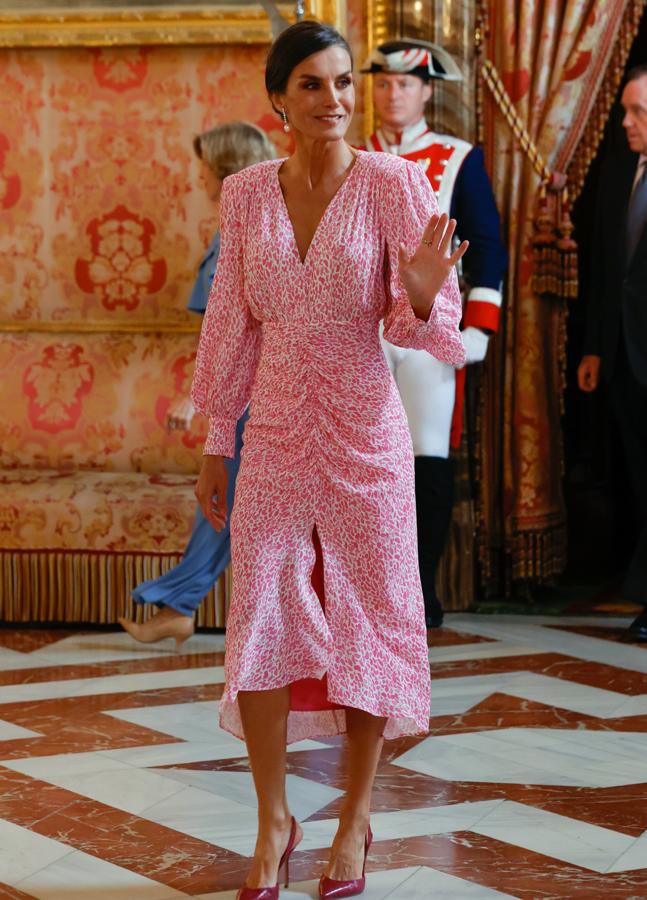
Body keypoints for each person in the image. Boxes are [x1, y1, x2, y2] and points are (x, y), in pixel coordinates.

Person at [191, 21, 467, 900]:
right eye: (312, 84)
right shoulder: (244, 195)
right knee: (261, 624)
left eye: (344, 83)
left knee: (371, 622)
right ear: (279, 98)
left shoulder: (391, 183)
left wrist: (421, 297)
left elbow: (424, 322)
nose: (336, 100)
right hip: (271, 434)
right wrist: (212, 440)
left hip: (363, 434)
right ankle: (274, 818)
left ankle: (352, 817)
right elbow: (229, 324)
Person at [362, 39, 507, 627]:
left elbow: (489, 247)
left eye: (405, 83)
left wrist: (480, 329)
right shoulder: (348, 154)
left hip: (429, 330)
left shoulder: (459, 156)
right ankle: (368, 592)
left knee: (427, 458)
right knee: (364, 463)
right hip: (362, 332)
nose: (392, 93)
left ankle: (420, 591)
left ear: (426, 91)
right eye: (382, 82)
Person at [118, 122, 276, 650]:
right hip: (256, 390)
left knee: (229, 504)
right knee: (227, 504)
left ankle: (180, 604)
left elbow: (234, 327)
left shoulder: (245, 227)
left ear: (227, 169)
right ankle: (178, 605)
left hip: (259, 392)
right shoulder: (243, 221)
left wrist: (198, 396)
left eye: (205, 166)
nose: (200, 176)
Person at [578, 64, 647, 642]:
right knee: (641, 478)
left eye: (638, 112)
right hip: (625, 355)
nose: (626, 122)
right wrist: (595, 349)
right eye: (626, 110)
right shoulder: (619, 167)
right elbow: (607, 270)